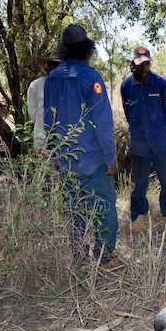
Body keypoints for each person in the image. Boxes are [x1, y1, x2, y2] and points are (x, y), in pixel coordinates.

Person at [43, 24, 121, 270]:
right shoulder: (91, 77)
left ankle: (77, 257)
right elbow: (103, 121)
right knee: (104, 208)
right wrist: (110, 157)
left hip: (66, 160)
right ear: (87, 50)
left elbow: (49, 120)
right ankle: (104, 258)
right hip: (94, 160)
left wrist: (55, 153)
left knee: (74, 211)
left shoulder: (52, 78)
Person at [119, 45, 166, 234]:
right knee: (140, 185)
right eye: (140, 64)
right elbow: (128, 113)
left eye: (147, 63)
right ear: (132, 65)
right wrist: (140, 131)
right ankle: (138, 220)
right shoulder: (126, 86)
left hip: (160, 143)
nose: (144, 67)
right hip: (138, 147)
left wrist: (155, 128)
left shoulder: (161, 84)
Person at [27, 52, 61, 152]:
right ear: (47, 67)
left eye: (57, 65)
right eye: (52, 65)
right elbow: (32, 114)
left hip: (65, 142)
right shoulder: (35, 85)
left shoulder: (68, 87)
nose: (54, 68)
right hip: (43, 141)